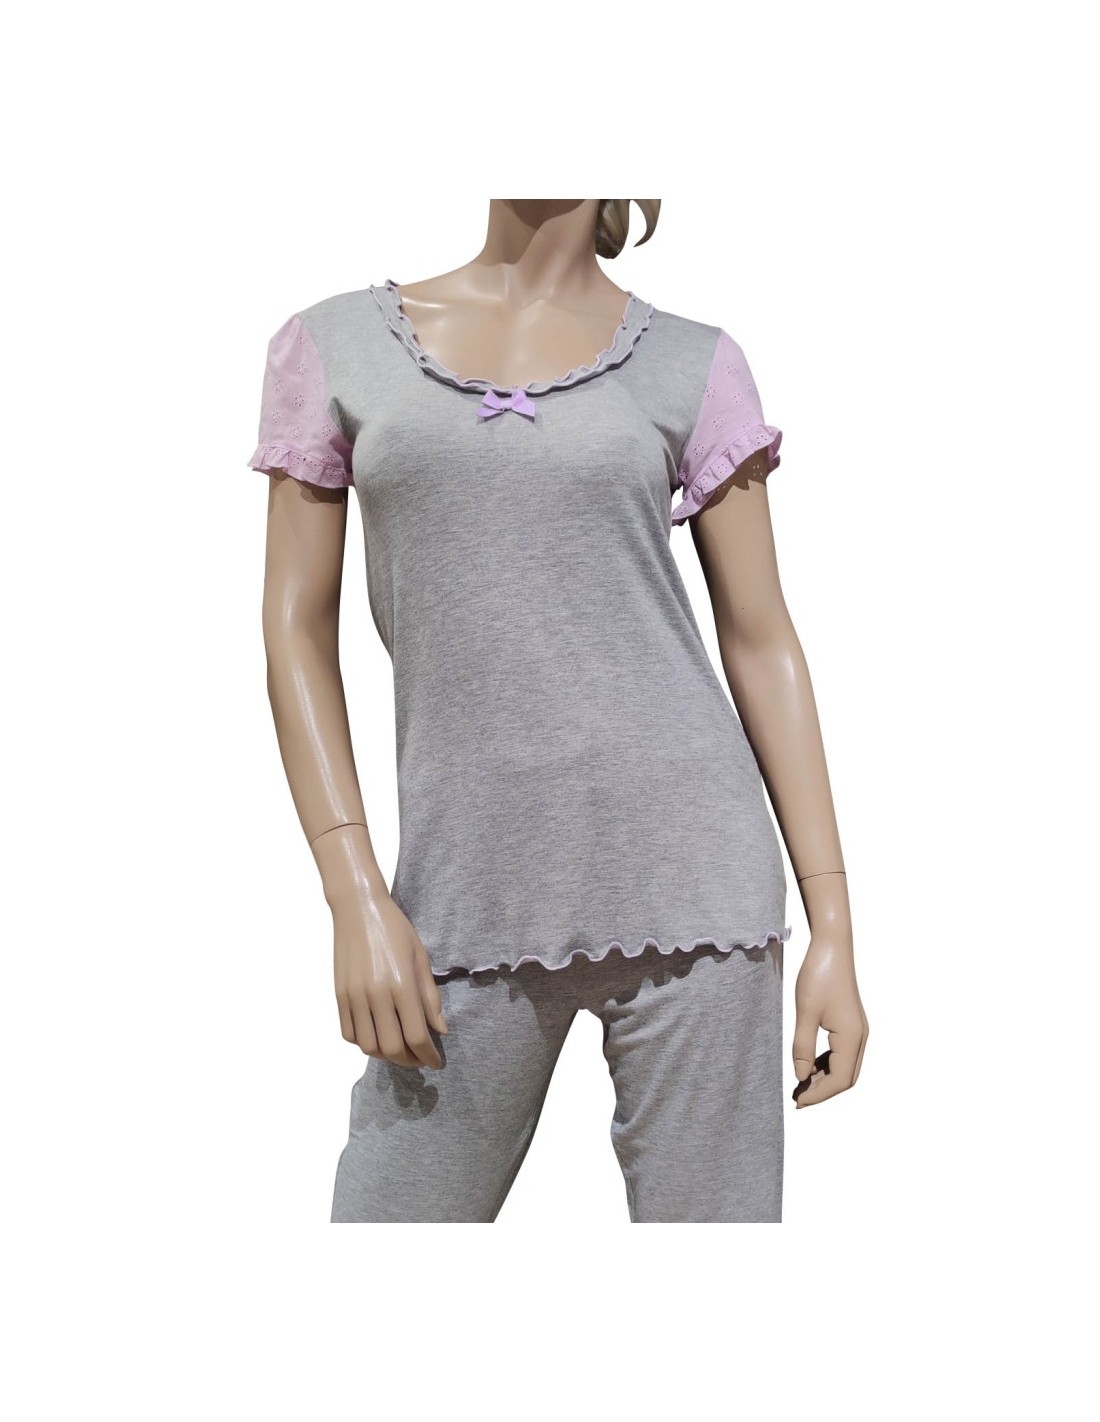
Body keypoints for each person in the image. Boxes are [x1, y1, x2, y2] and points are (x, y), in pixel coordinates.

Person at [246, 198, 869, 1223]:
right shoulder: (334, 348)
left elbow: (761, 639)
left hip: (696, 887)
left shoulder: (695, 364)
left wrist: (833, 921)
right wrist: (351, 893)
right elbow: (294, 635)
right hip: (460, 892)